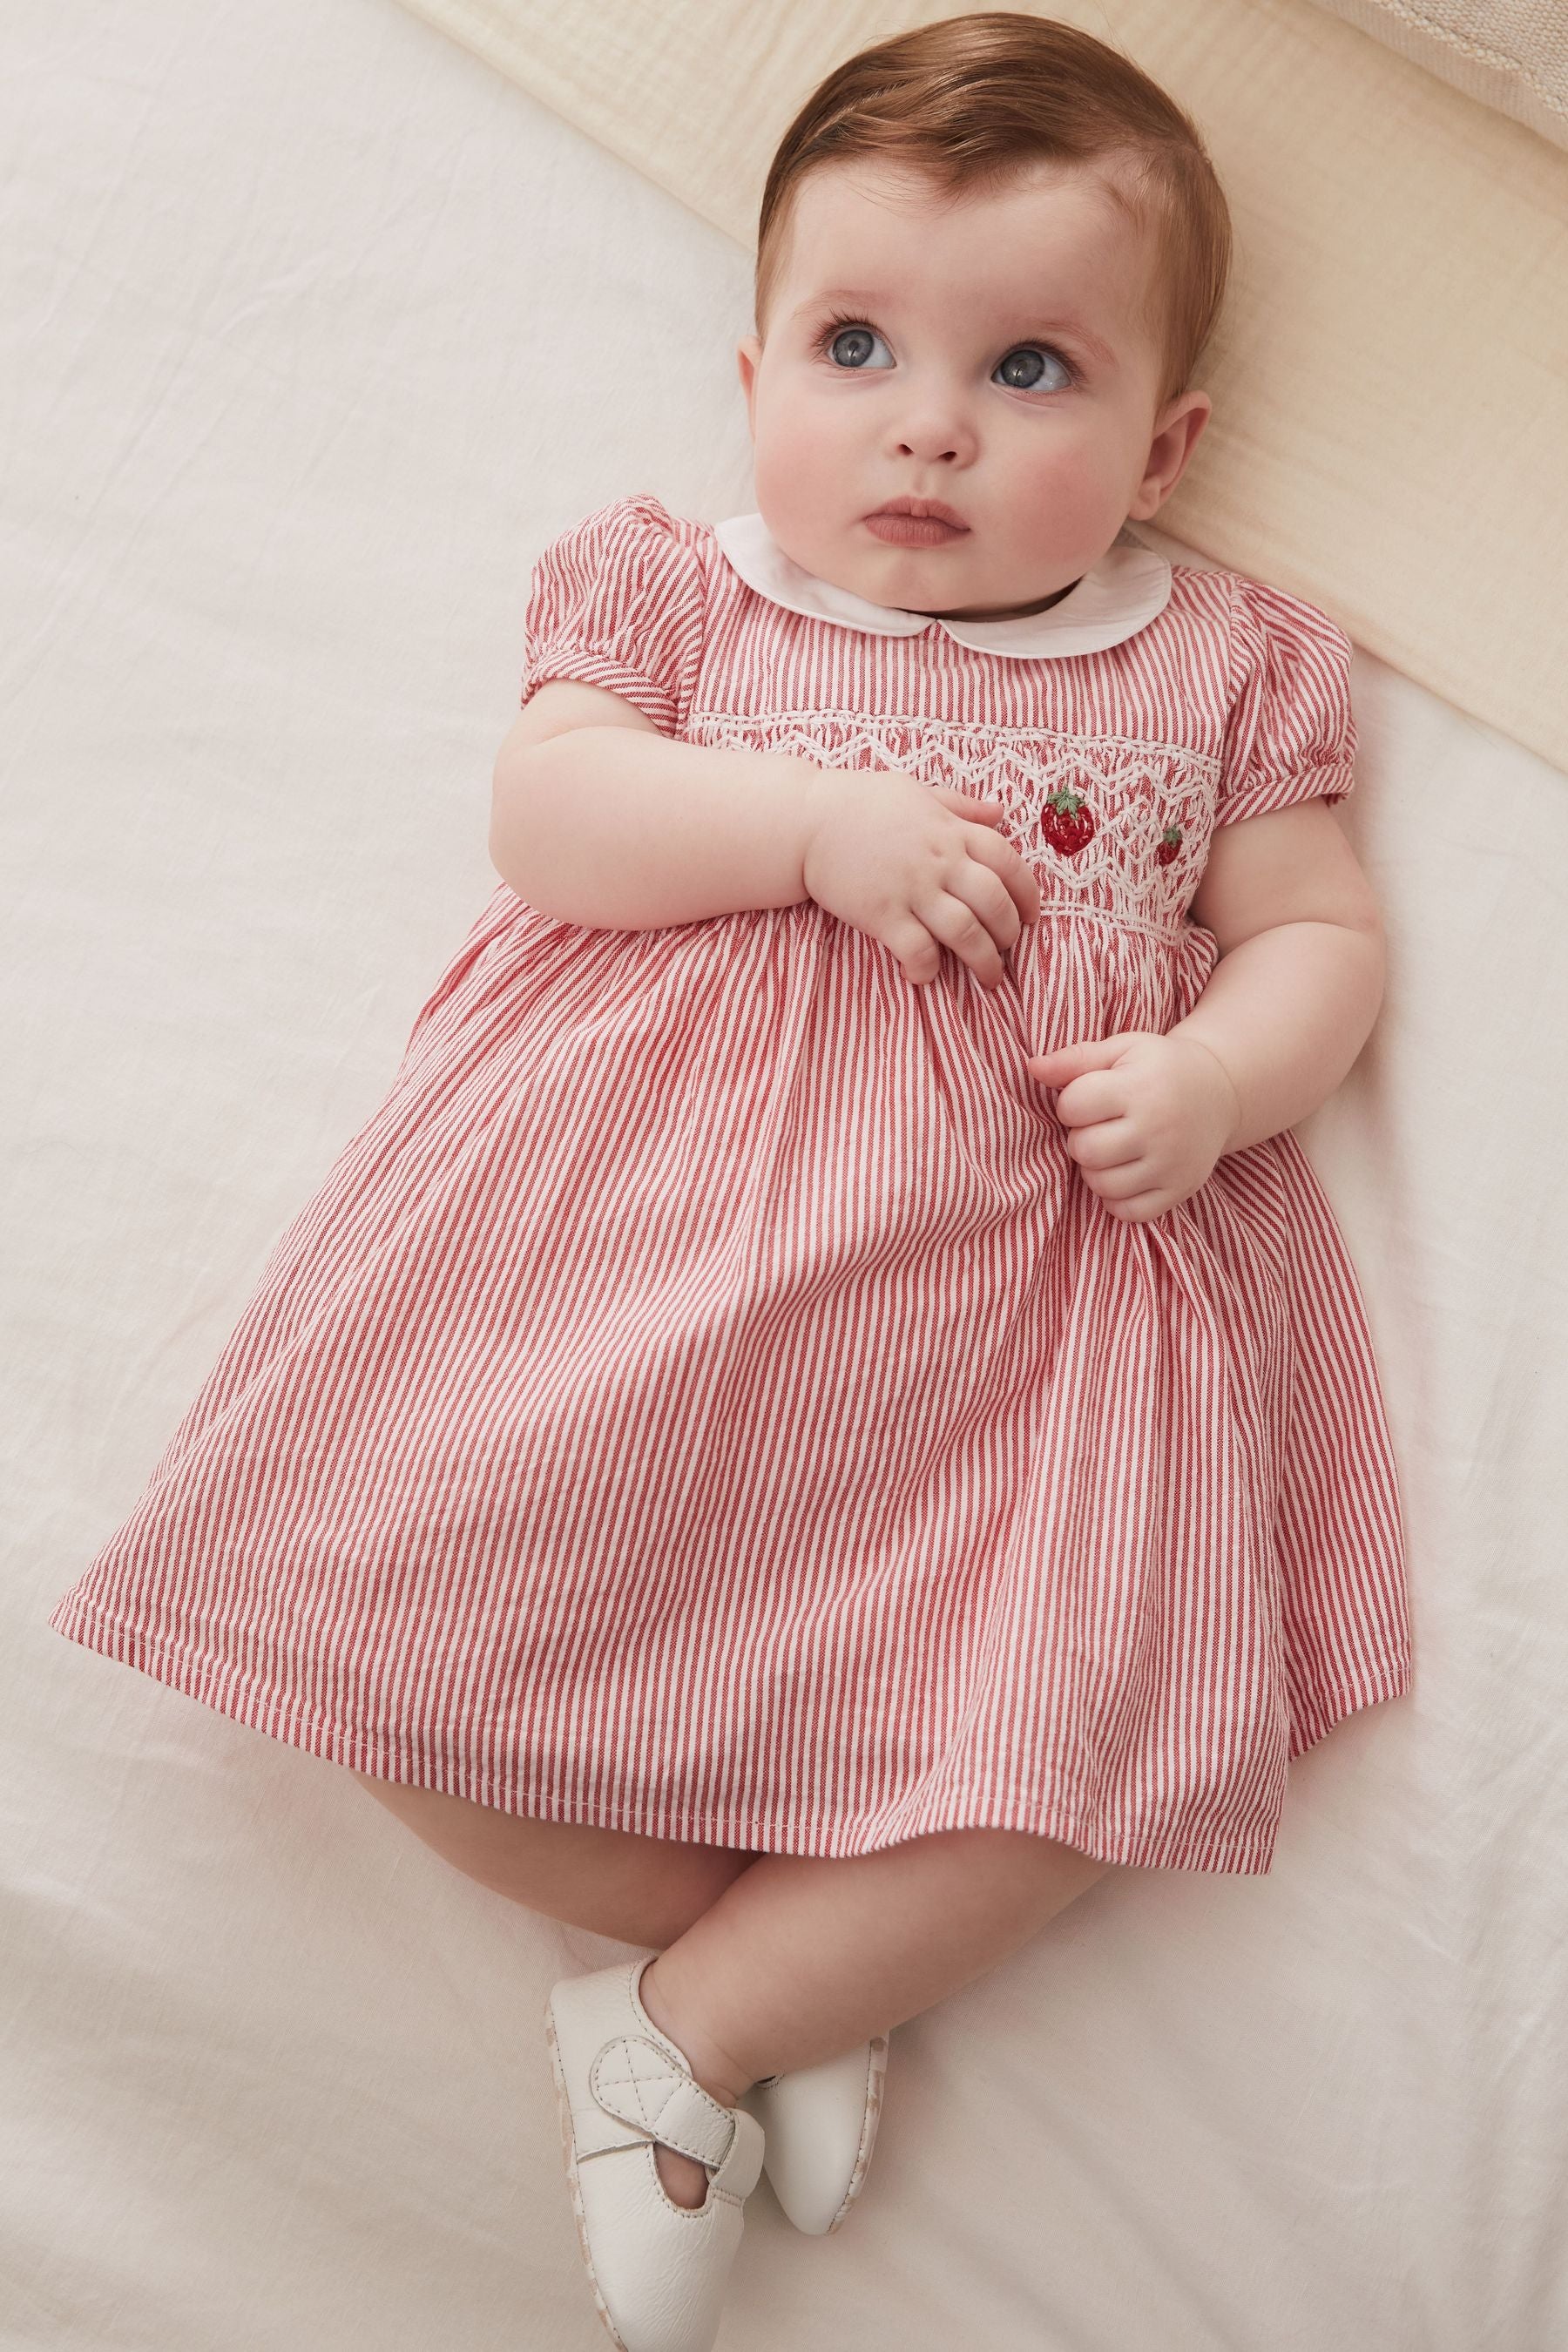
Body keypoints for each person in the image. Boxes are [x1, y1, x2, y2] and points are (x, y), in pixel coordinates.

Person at [47, 12, 1413, 2347]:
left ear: (1169, 444)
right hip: (632, 1268)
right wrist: (807, 825)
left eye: (1033, 371)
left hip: (1030, 1323)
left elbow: (1324, 935)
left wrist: (1218, 1077)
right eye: (858, 345)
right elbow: (550, 813)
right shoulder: (680, 594)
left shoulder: (1222, 665)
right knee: (364, 1631)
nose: (930, 424)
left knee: (1085, 1735)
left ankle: (694, 2024)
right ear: (753, 359)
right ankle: (770, 1964)